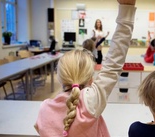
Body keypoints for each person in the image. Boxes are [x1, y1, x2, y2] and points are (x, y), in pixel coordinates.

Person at [34, 0, 137, 136]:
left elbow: (40, 127)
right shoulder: (90, 102)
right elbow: (114, 63)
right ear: (90, 79)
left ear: (60, 77)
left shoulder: (45, 108)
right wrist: (127, 8)